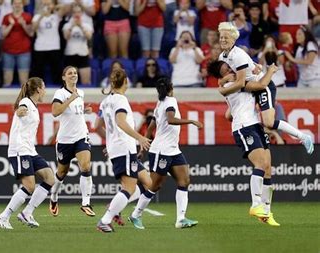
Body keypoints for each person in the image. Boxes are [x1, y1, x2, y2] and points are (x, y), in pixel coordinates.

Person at [217, 22, 314, 154]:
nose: (222, 40)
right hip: (249, 87)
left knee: (268, 122)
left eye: (226, 37)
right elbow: (241, 71)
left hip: (262, 86)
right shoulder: (222, 56)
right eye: (221, 37)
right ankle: (259, 130)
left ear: (233, 39)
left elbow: (239, 83)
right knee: (229, 115)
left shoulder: (238, 55)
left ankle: (302, 136)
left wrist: (223, 90)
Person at [208, 60, 281, 226]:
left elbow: (227, 115)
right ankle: (256, 205)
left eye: (228, 65)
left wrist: (237, 107)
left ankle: (267, 213)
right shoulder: (236, 82)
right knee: (261, 163)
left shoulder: (232, 83)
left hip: (253, 124)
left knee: (268, 167)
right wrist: (271, 71)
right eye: (225, 69)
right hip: (245, 127)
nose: (229, 68)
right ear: (222, 75)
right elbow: (263, 85)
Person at [134, 77, 203, 229]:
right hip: (162, 150)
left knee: (184, 181)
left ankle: (181, 219)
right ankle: (136, 214)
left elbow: (152, 125)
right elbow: (171, 120)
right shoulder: (170, 102)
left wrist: (142, 147)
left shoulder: (160, 103)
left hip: (173, 149)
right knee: (154, 186)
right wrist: (191, 121)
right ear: (171, 88)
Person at [94, 68, 152, 232]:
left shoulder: (105, 102)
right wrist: (139, 137)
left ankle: (115, 207)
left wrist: (110, 142)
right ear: (125, 82)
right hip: (124, 148)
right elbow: (120, 122)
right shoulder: (121, 100)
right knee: (129, 187)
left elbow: (97, 126)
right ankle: (105, 219)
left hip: (117, 148)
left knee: (148, 183)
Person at [0, 77, 55, 229]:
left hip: (30, 150)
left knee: (49, 177)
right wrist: (19, 111)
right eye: (44, 87)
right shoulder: (26, 103)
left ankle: (27, 213)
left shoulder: (33, 105)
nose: (46, 91)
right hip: (20, 150)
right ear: (38, 89)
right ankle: (3, 216)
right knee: (29, 186)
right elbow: (20, 110)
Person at [48, 66, 94, 217]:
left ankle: (86, 203)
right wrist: (71, 99)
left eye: (75, 72)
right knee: (62, 172)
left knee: (86, 166)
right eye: (70, 73)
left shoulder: (81, 92)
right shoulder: (60, 93)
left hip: (81, 135)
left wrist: (84, 110)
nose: (73, 75)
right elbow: (55, 112)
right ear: (63, 77)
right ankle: (54, 197)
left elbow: (74, 112)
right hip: (65, 140)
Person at [30, 0, 64, 85]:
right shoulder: (37, 16)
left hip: (54, 46)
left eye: (49, 4)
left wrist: (53, 6)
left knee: (56, 70)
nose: (47, 6)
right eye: (45, 4)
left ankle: (58, 89)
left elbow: (64, 8)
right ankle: (38, 88)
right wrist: (42, 15)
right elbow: (33, 29)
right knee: (38, 70)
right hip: (40, 47)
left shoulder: (56, 16)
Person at [1, 0, 33, 87]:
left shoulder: (27, 16)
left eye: (19, 3)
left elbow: (31, 33)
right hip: (8, 51)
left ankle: (24, 100)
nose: (17, 5)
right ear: (12, 5)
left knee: (24, 80)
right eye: (15, 3)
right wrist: (11, 25)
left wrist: (23, 24)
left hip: (24, 51)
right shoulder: (6, 17)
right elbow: (3, 34)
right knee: (7, 79)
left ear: (22, 5)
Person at [62, 4, 93, 85]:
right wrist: (72, 26)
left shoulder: (86, 25)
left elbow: (89, 37)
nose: (77, 14)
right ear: (72, 14)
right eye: (74, 12)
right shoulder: (67, 25)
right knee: (69, 83)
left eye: (79, 12)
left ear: (82, 13)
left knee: (85, 82)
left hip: (83, 54)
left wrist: (81, 26)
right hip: (70, 54)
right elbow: (66, 37)